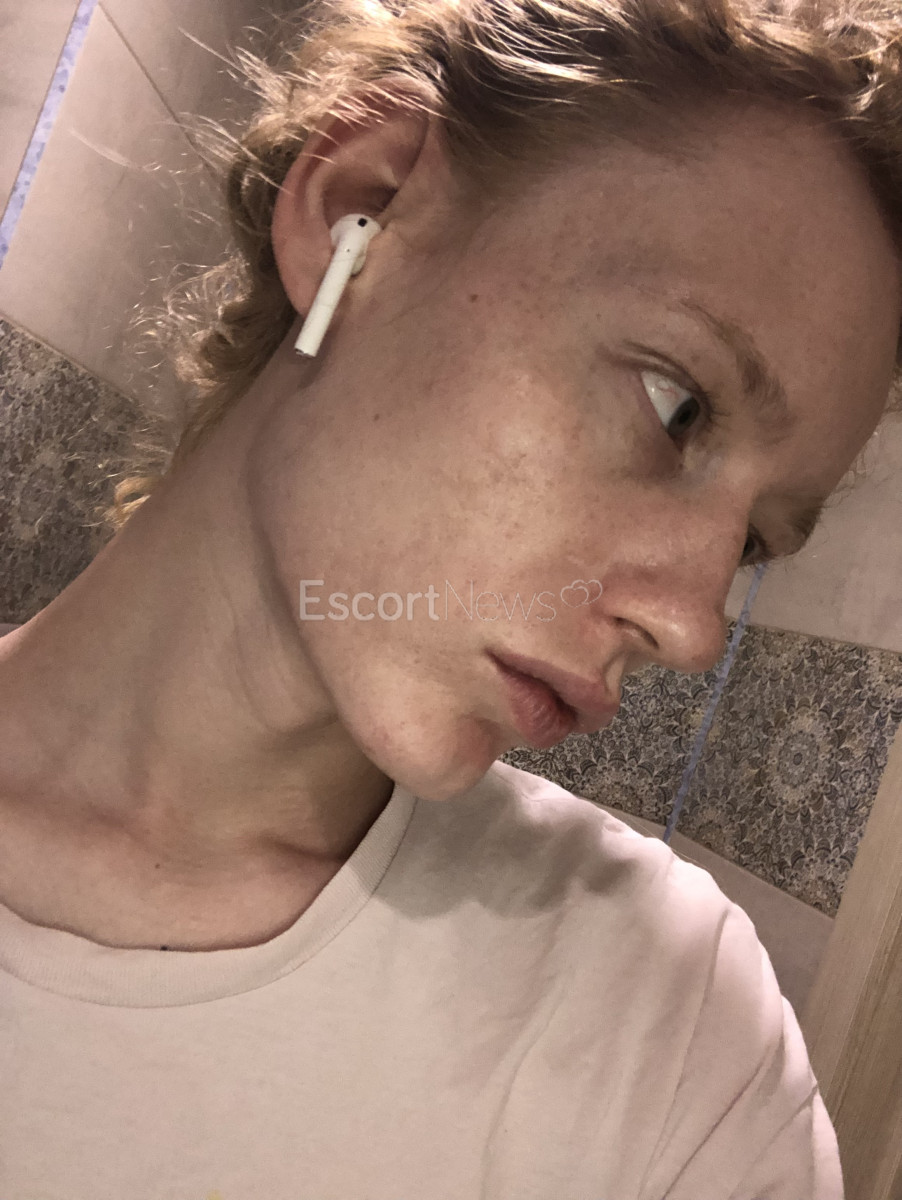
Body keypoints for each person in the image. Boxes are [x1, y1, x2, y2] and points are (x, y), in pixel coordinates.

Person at [0, 0, 900, 1195]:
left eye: (750, 542)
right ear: (359, 209)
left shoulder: (667, 1032)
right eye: (674, 404)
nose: (690, 626)